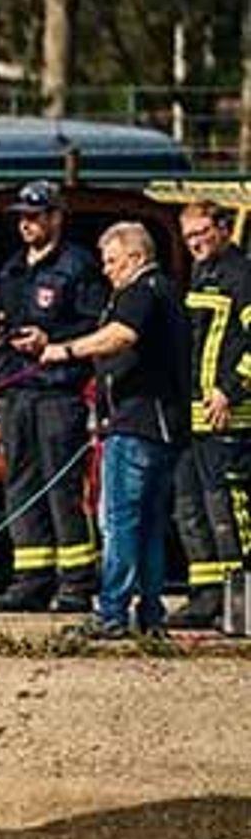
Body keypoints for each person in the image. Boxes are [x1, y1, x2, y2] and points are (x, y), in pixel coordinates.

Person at [40, 220, 188, 637]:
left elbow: (120, 336)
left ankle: (112, 611)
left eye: (112, 261)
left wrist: (64, 350)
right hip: (164, 429)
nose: (106, 270)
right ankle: (151, 612)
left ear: (136, 258)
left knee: (119, 520)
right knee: (149, 523)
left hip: (137, 425)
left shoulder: (141, 292)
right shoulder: (169, 291)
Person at [0, 180, 108, 613]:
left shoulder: (79, 266)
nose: (26, 224)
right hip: (18, 390)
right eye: (22, 217)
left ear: (56, 217)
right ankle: (31, 578)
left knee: (61, 487)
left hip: (59, 392)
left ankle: (76, 582)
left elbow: (96, 328)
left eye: (35, 216)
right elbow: (6, 317)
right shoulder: (13, 268)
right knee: (21, 484)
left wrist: (50, 338)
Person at [174, 201, 251, 629]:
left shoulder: (243, 275)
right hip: (195, 419)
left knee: (230, 514)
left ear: (224, 229)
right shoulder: (201, 274)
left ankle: (243, 604)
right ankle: (206, 597)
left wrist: (231, 390)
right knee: (190, 509)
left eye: (203, 233)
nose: (196, 243)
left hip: (232, 419)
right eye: (189, 237)